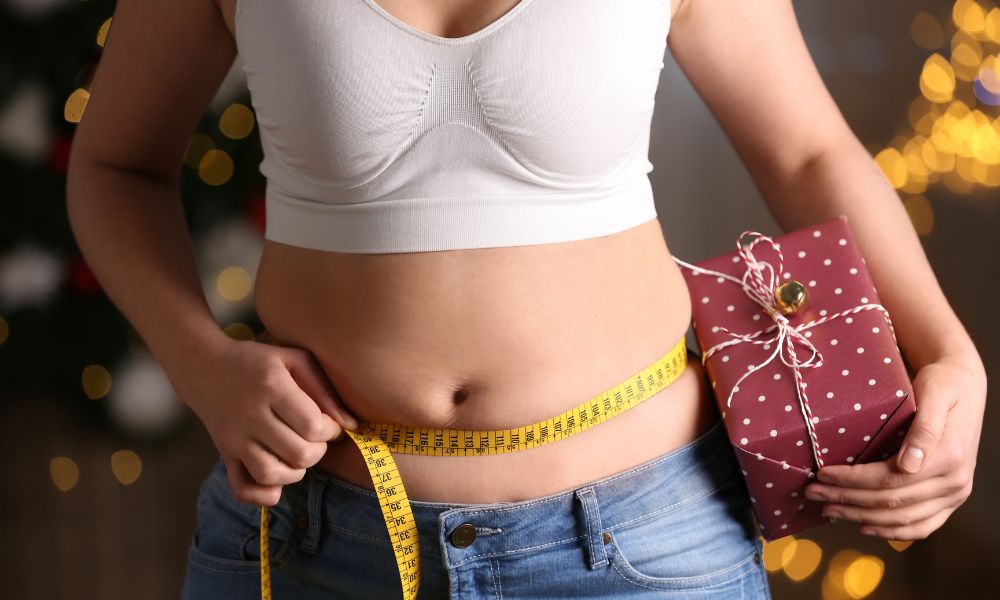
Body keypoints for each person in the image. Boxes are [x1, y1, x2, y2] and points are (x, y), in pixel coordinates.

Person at [65, 0, 987, 598]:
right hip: (313, 543)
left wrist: (947, 351)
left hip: (642, 548)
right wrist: (202, 366)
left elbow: (808, 153)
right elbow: (113, 165)